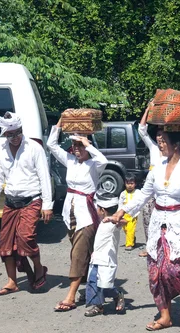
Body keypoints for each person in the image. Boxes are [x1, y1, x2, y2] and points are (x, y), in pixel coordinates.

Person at [107, 130, 180, 331]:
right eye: (159, 141)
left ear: (177, 145)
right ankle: (165, 316)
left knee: (171, 270)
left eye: (164, 141)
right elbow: (144, 194)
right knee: (155, 272)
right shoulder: (156, 169)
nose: (160, 145)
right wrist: (122, 211)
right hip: (158, 223)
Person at [0, 112, 53, 295]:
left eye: (18, 133)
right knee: (5, 242)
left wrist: (47, 204)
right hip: (10, 202)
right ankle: (12, 281)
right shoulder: (1, 151)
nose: (15, 138)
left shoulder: (34, 148)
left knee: (26, 237)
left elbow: (44, 176)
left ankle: (39, 267)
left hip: (31, 200)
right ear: (4, 135)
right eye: (10, 135)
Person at [48, 118, 108, 311]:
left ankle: (71, 295)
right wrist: (59, 123)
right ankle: (96, 287)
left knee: (78, 254)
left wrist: (87, 144)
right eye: (73, 145)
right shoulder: (71, 161)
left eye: (78, 145)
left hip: (86, 214)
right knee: (81, 251)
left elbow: (103, 160)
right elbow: (51, 145)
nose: (75, 148)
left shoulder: (94, 164)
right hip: (70, 212)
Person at [84, 192, 126, 317]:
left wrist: (114, 219)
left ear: (102, 210)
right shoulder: (102, 222)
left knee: (105, 285)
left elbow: (124, 221)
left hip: (107, 261)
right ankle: (98, 306)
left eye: (98, 208)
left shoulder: (113, 224)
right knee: (92, 282)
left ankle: (118, 295)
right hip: (96, 258)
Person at [137, 102, 167, 257]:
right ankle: (150, 247)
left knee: (164, 220)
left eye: (163, 135)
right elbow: (141, 130)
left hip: (164, 190)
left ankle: (163, 247)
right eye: (158, 134)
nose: (160, 137)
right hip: (150, 189)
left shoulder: (172, 152)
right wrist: (148, 108)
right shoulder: (154, 148)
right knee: (147, 219)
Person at [118, 173, 139, 251]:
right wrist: (118, 213)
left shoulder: (138, 193)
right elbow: (120, 204)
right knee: (126, 229)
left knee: (130, 229)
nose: (130, 185)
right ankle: (132, 238)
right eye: (128, 183)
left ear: (135, 184)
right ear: (125, 183)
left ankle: (129, 244)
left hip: (133, 215)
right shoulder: (123, 194)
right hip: (124, 214)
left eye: (132, 183)